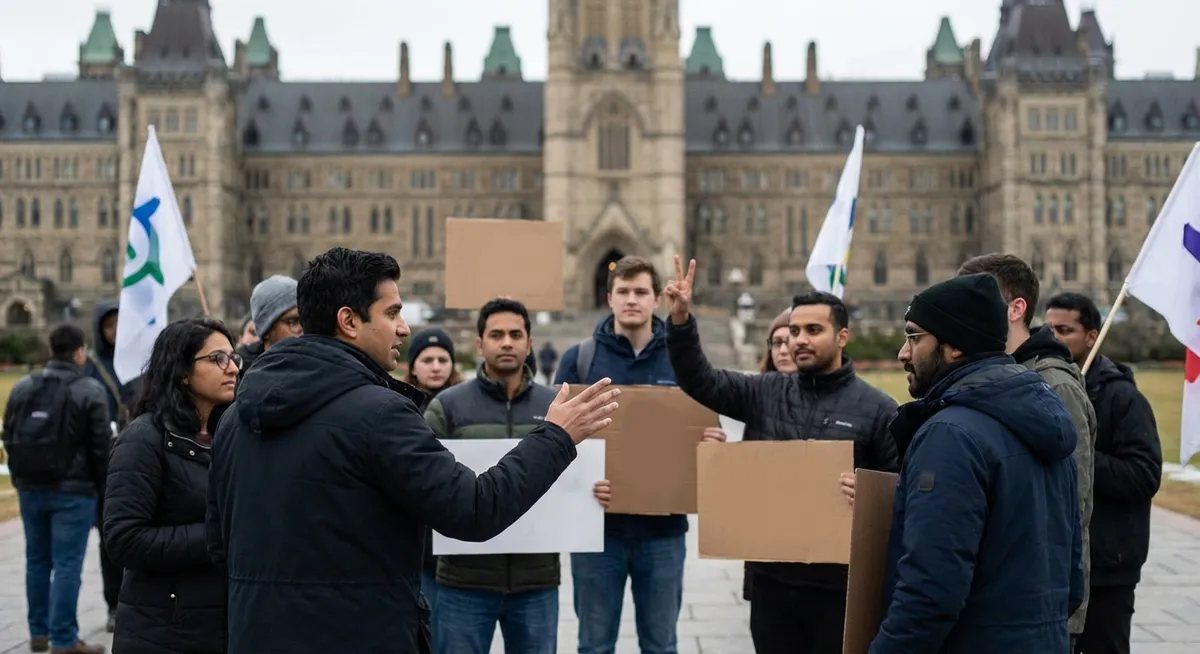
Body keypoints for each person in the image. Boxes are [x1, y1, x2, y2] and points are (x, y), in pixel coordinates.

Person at [206, 246, 622, 653]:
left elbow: (218, 542)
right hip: (362, 634)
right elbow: (474, 509)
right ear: (348, 321)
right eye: (392, 313)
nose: (404, 328)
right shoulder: (379, 413)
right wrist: (556, 436)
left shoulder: (234, 417)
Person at [664, 257, 898, 654]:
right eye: (793, 331)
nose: (799, 340)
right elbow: (698, 379)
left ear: (843, 337)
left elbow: (901, 492)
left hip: (838, 589)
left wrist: (869, 496)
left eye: (813, 330)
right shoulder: (763, 391)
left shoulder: (879, 409)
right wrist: (682, 321)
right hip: (771, 584)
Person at [870, 273, 1083, 654]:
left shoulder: (950, 435)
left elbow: (930, 591)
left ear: (954, 347)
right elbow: (1072, 579)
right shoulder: (1048, 423)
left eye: (914, 336)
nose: (904, 352)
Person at [555, 255, 723, 654]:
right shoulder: (579, 359)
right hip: (597, 533)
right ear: (609, 297)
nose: (632, 299)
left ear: (656, 298)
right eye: (623, 292)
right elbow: (551, 442)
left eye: (641, 292)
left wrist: (713, 448)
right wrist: (582, 484)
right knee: (594, 645)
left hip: (663, 534)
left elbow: (702, 425)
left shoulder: (683, 359)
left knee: (661, 645)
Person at [425, 298, 581, 654]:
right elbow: (425, 482)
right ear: (479, 343)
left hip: (536, 582)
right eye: (496, 334)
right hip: (463, 581)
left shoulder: (556, 407)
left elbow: (578, 476)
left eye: (515, 334)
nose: (507, 342)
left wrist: (594, 492)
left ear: (529, 343)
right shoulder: (446, 406)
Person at [958, 254, 1097, 646]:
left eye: (974, 298)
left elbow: (1072, 507)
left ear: (1015, 309)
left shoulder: (1055, 385)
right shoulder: (993, 374)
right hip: (997, 600)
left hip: (1039, 608)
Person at [103, 318, 240, 654]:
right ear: (181, 371)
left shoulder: (233, 434)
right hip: (164, 631)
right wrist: (219, 535)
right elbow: (124, 539)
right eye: (217, 359)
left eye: (234, 357)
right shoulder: (143, 439)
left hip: (225, 625)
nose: (233, 368)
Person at [1046, 292, 1163, 654]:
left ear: (1092, 336)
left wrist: (1079, 452)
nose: (1054, 338)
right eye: (1048, 329)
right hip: (1059, 562)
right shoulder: (1048, 388)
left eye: (1064, 330)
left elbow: (1144, 475)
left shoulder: (1122, 398)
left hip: (1108, 567)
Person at [3, 325, 110, 654]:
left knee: (36, 560)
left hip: (30, 487)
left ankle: (38, 633)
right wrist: (102, 489)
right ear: (79, 352)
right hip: (73, 491)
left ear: (51, 350)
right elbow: (100, 448)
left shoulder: (23, 387)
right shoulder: (89, 390)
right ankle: (64, 638)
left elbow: (8, 435)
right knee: (67, 563)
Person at [404, 327, 468, 635]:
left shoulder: (467, 406)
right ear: (412, 366)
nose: (436, 365)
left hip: (459, 550)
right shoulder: (399, 408)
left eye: (443, 359)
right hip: (420, 549)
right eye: (427, 359)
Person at [81, 300, 136, 633]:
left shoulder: (136, 363)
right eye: (109, 327)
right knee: (110, 541)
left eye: (119, 325)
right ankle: (113, 603)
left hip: (139, 459)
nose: (115, 332)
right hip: (104, 465)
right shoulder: (92, 368)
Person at [740, 308, 798, 604]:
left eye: (792, 341)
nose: (785, 350)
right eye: (777, 343)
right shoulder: (756, 397)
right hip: (767, 554)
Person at [236, 275, 301, 375]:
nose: (303, 329)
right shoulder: (239, 373)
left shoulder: (321, 365)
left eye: (305, 320)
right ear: (267, 331)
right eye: (293, 322)